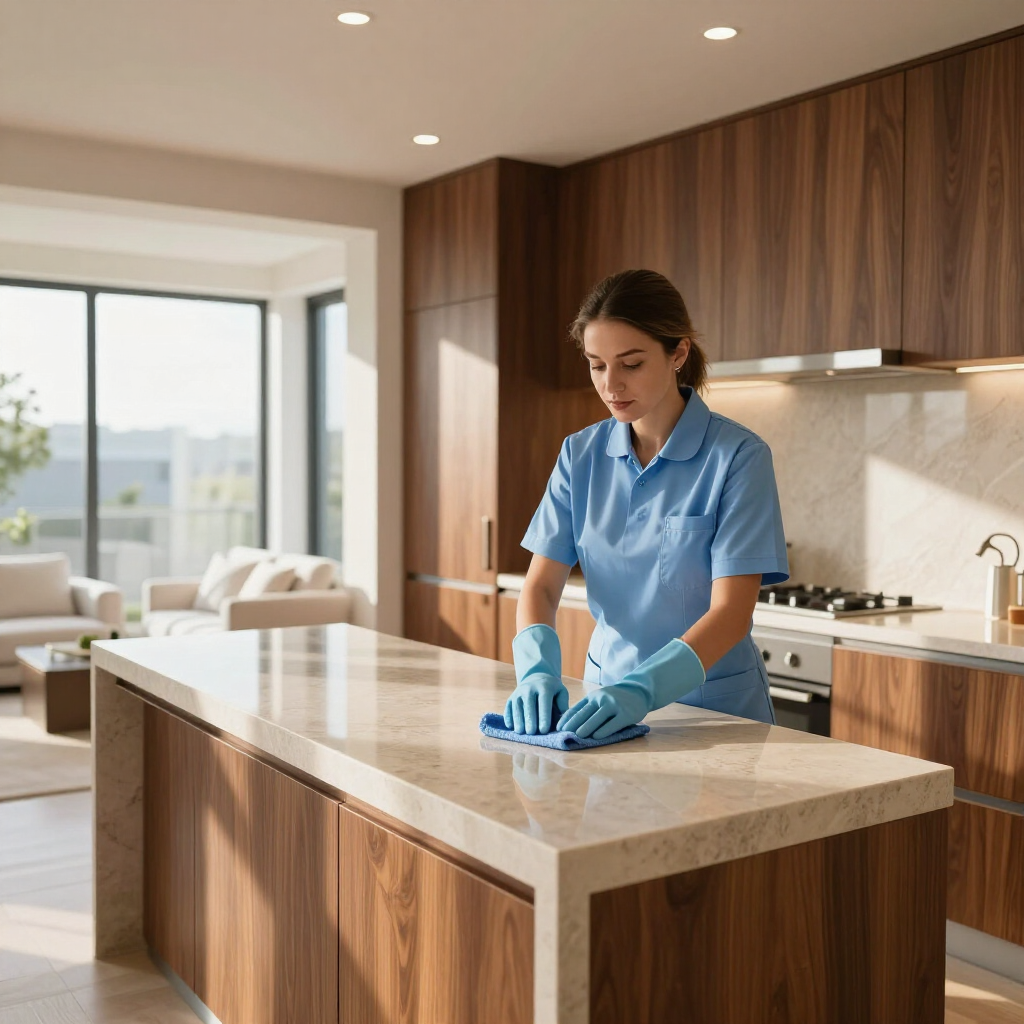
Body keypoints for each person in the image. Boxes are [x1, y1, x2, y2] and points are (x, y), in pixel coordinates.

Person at [505, 269, 789, 738]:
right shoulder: (580, 455)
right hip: (602, 706)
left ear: (678, 353)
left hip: (712, 713)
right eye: (597, 365)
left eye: (631, 364)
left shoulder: (738, 456)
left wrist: (642, 689)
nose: (611, 384)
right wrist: (536, 670)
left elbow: (731, 614)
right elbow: (541, 586)